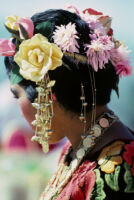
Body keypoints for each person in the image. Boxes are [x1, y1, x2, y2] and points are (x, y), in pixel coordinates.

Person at [0, 6, 134, 200]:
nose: (20, 112)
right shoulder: (78, 147)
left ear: (46, 94)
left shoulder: (118, 168)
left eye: (16, 95)